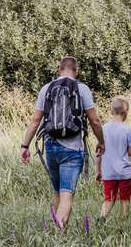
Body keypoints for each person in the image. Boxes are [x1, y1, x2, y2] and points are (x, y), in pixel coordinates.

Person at [20, 56, 105, 229]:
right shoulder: (82, 89)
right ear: (77, 71)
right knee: (67, 196)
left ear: (59, 70)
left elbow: (36, 120)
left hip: (50, 146)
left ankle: (60, 235)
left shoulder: (46, 88)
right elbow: (95, 120)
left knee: (57, 192)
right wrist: (101, 141)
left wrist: (24, 146)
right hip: (72, 149)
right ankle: (52, 238)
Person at [95, 96, 131, 219]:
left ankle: (101, 218)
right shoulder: (128, 130)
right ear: (126, 112)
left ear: (111, 111)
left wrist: (98, 170)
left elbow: (98, 153)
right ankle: (123, 222)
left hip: (108, 172)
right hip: (124, 172)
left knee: (109, 199)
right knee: (125, 199)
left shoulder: (103, 129)